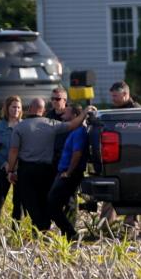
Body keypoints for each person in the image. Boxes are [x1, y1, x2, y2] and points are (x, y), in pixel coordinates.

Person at [6, 98, 96, 232]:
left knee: (30, 201)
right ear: (43, 111)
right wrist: (84, 113)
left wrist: (11, 170)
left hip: (26, 170)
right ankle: (46, 226)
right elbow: (72, 125)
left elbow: (14, 151)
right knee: (44, 199)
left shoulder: (20, 126)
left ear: (30, 109)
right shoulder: (51, 124)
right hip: (46, 170)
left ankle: (42, 226)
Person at [100, 80, 141, 227]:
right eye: (112, 96)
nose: (113, 99)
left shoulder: (137, 111)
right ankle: (105, 225)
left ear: (125, 94)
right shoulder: (114, 110)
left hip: (133, 158)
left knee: (133, 191)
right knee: (110, 191)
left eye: (115, 96)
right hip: (116, 158)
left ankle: (131, 225)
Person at [47, 104, 89, 239]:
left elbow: (77, 154)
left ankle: (71, 233)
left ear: (75, 116)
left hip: (68, 173)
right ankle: (68, 233)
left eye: (66, 114)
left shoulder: (79, 132)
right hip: (64, 172)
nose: (63, 116)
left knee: (52, 205)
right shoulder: (74, 131)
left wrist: (69, 172)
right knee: (62, 204)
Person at [0, 95, 23, 231]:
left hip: (19, 170)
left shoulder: (24, 125)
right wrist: (6, 165)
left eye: (18, 107)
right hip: (2, 169)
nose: (16, 110)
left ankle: (16, 231)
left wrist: (15, 166)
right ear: (7, 108)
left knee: (18, 203)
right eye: (13, 107)